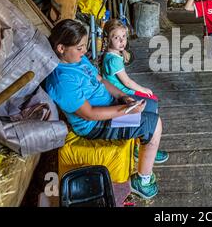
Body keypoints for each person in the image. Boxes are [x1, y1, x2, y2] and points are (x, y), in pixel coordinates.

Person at [45, 19, 167, 200]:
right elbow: (89, 113)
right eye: (79, 48)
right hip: (94, 125)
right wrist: (125, 110)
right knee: (154, 124)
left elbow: (101, 80)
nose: (84, 51)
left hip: (110, 105)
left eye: (84, 46)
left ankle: (142, 148)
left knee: (151, 105)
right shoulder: (61, 79)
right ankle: (142, 180)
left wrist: (122, 97)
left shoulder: (78, 60)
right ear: (61, 48)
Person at [101, 19, 158, 101]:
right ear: (108, 40)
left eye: (123, 36)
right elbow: (127, 82)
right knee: (152, 98)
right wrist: (143, 89)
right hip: (121, 93)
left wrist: (122, 51)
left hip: (114, 89)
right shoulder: (114, 60)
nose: (122, 40)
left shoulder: (109, 54)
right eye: (116, 38)